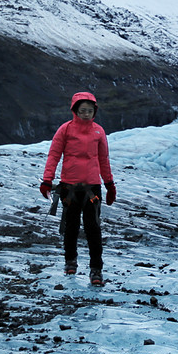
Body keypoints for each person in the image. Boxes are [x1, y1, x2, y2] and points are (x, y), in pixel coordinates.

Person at [39, 92, 116, 286]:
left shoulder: (99, 132)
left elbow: (103, 160)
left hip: (92, 187)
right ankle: (70, 261)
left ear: (94, 111)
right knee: (71, 226)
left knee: (93, 228)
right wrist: (47, 179)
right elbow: (54, 155)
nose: (86, 114)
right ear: (75, 110)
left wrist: (109, 184)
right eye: (82, 111)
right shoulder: (65, 130)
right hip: (69, 187)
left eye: (90, 111)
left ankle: (96, 270)